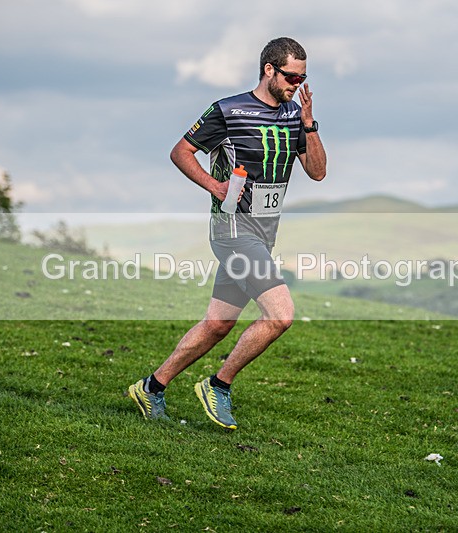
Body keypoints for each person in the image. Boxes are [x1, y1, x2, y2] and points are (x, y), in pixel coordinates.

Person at [129, 37, 327, 430]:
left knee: (218, 324)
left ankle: (151, 387)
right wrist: (214, 186)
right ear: (269, 70)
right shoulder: (228, 110)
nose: (296, 85)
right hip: (232, 230)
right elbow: (181, 151)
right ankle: (218, 385)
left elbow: (318, 171)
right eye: (291, 76)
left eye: (303, 77)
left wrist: (309, 123)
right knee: (281, 315)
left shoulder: (294, 115)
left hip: (263, 233)